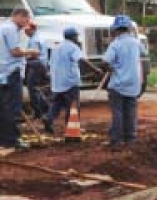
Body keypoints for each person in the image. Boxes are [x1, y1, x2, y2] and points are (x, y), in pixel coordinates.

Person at [43, 27, 102, 135]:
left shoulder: (57, 47)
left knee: (57, 103)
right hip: (69, 82)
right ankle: (72, 127)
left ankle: (49, 118)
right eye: (76, 36)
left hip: (57, 82)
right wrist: (96, 69)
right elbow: (81, 59)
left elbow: (51, 64)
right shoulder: (73, 47)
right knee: (73, 105)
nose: (77, 38)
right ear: (73, 37)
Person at [101, 15, 145, 148]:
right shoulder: (136, 42)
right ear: (128, 28)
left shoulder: (115, 44)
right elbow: (143, 53)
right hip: (133, 84)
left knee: (118, 113)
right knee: (131, 112)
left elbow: (105, 62)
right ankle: (130, 139)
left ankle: (116, 140)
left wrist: (110, 69)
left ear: (115, 29)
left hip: (118, 84)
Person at [0, 8, 32, 149]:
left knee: (3, 107)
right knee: (12, 108)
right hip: (11, 71)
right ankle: (11, 140)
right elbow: (15, 51)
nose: (27, 22)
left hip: (3, 73)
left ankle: (4, 139)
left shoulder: (3, 28)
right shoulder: (11, 29)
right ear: (18, 16)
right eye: (26, 18)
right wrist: (31, 52)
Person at [23, 22, 50, 120]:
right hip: (40, 65)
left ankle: (39, 111)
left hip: (35, 64)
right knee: (35, 88)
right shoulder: (38, 38)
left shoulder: (34, 40)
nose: (26, 32)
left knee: (32, 89)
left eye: (27, 30)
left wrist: (23, 56)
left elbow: (34, 54)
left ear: (33, 29)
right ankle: (45, 108)